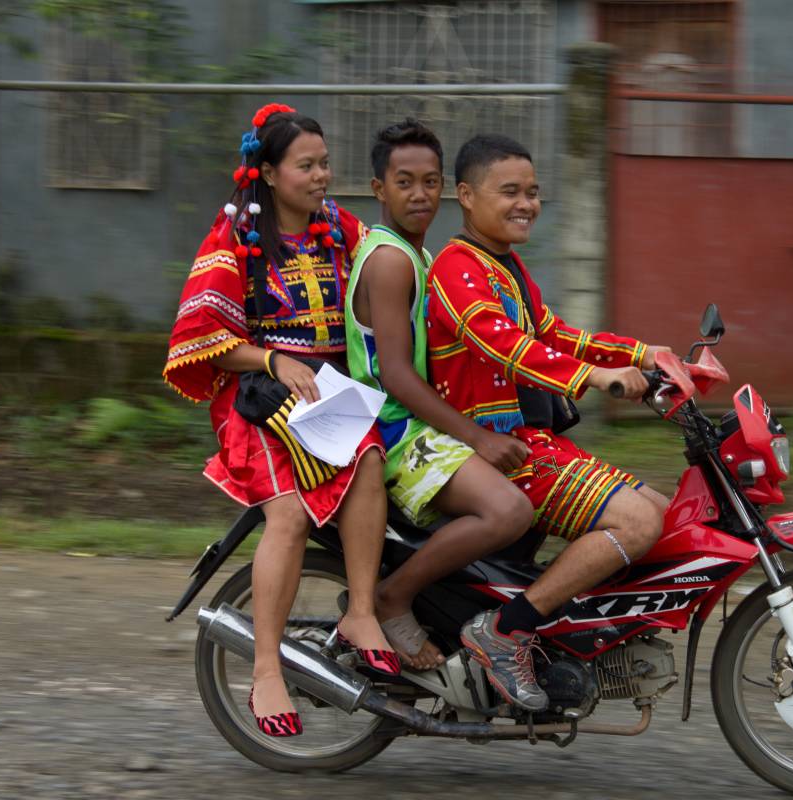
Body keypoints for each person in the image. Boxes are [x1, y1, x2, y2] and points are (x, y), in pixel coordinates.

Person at [164, 104, 398, 738]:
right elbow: (202, 337)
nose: (322, 176)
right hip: (260, 396)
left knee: (371, 462)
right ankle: (267, 667)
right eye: (306, 166)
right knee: (288, 514)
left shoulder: (341, 228)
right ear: (267, 172)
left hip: (334, 394)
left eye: (325, 163)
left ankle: (361, 613)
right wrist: (273, 356)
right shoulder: (234, 237)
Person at [426, 134, 673, 712]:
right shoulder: (456, 268)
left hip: (531, 443)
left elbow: (557, 334)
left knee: (662, 513)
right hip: (493, 453)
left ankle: (571, 637)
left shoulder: (505, 268)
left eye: (533, 192)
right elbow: (503, 342)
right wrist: (594, 377)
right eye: (509, 191)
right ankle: (507, 632)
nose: (526, 203)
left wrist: (646, 354)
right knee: (637, 524)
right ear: (465, 195)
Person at [345, 119, 532, 671]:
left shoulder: (419, 257)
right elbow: (399, 377)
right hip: (397, 431)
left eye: (430, 182)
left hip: (421, 424)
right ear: (379, 189)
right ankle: (392, 596)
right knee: (508, 510)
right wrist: (474, 435)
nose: (420, 195)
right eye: (404, 182)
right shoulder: (392, 260)